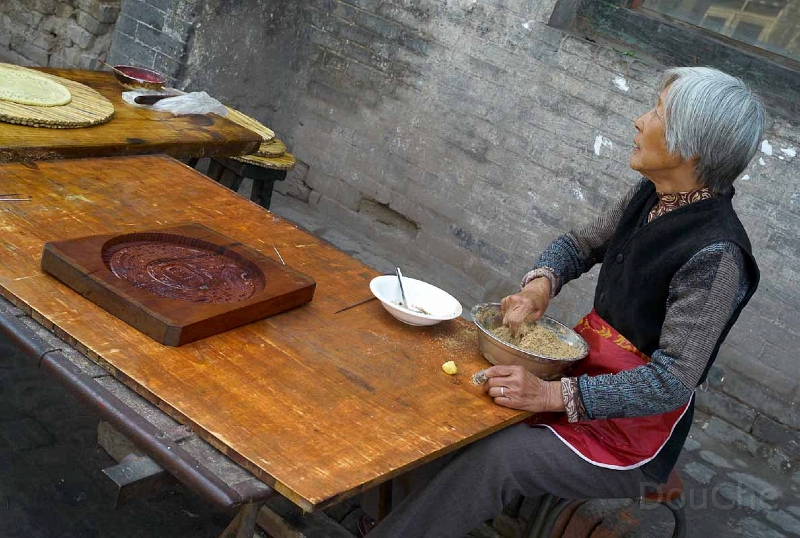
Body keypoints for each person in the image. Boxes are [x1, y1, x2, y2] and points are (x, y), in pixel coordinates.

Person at [368, 66, 764, 537]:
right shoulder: (653, 195)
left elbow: (671, 383)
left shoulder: (716, 256)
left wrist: (550, 395)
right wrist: (540, 285)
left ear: (691, 145)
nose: (639, 121)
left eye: (657, 112)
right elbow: (581, 244)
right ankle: (397, 517)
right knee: (456, 407)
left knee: (499, 458)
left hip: (630, 435)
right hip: (583, 373)